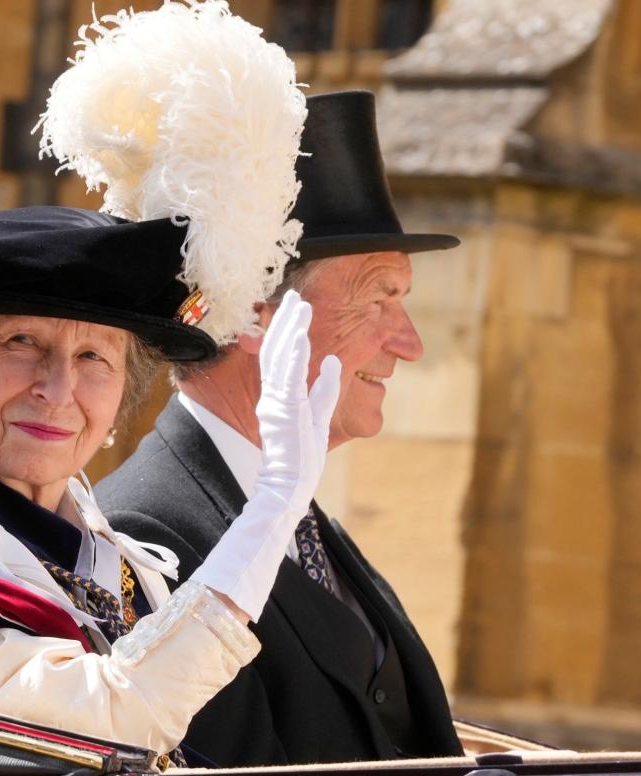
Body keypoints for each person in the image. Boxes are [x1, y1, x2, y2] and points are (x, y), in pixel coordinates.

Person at [0, 206, 340, 764]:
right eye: (22, 342)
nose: (58, 387)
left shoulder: (122, 566)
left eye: (94, 356)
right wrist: (271, 508)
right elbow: (109, 724)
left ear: (121, 396)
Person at [95, 90, 467, 766]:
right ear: (257, 316)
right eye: (378, 297)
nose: (408, 343)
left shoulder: (306, 522)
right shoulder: (145, 533)